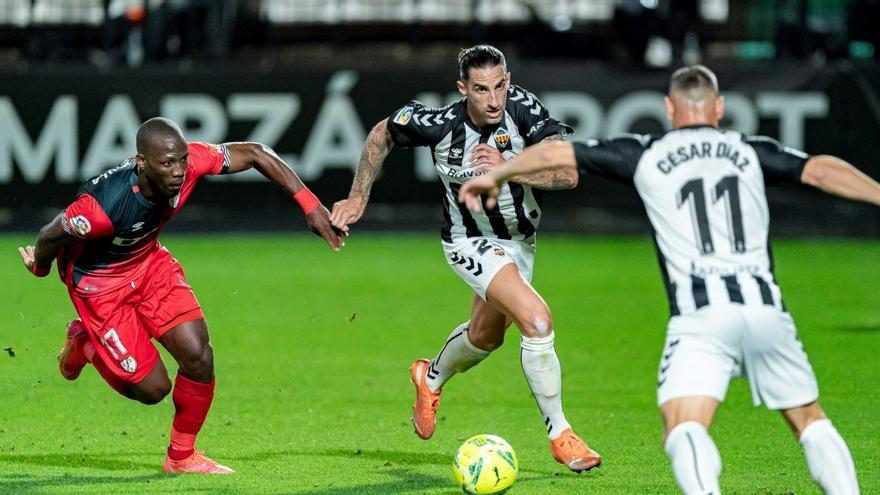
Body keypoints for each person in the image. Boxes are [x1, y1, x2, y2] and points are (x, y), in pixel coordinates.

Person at [459, 65, 871, 494]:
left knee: (683, 427)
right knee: (810, 420)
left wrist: (497, 174)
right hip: (767, 310)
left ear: (670, 109)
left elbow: (555, 154)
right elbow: (820, 170)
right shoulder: (747, 149)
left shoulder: (646, 152)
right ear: (720, 108)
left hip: (700, 319)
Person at [19, 117, 345, 474]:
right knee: (152, 390)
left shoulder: (191, 165)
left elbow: (255, 153)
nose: (178, 171)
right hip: (101, 288)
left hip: (149, 265)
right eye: (167, 163)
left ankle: (181, 457)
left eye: (182, 160)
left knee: (199, 356)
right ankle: (85, 344)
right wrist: (41, 267)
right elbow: (51, 234)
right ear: (142, 163)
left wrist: (311, 206)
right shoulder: (101, 207)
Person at [329, 45, 601, 472]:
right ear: (462, 89)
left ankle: (430, 376)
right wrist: (358, 197)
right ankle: (561, 434)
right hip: (468, 240)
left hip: (519, 242)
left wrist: (507, 168)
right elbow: (382, 132)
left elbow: (567, 174)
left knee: (486, 336)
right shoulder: (440, 125)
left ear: (508, 80)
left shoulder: (525, 111)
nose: (493, 100)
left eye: (499, 86)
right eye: (480, 89)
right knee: (538, 320)